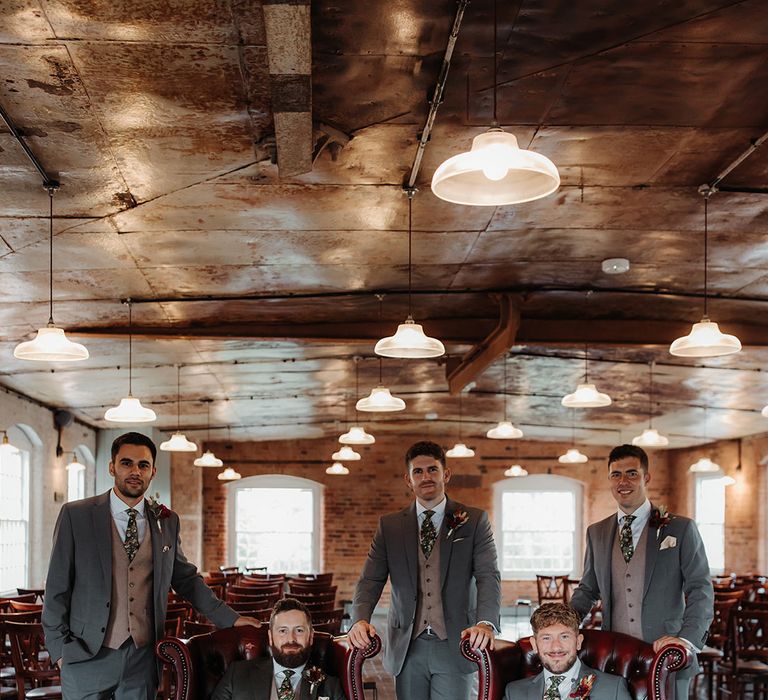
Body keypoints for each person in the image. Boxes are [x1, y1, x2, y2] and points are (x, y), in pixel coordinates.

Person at [42, 431, 259, 700]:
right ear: (112, 467)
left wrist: (231, 619)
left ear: (153, 471)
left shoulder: (166, 521)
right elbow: (56, 587)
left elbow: (186, 579)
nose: (135, 471)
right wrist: (59, 650)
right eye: (126, 463)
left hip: (141, 658)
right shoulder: (76, 515)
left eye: (143, 465)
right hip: (85, 655)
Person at [349, 440, 501, 700]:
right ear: (408, 480)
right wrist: (360, 619)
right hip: (407, 645)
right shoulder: (390, 526)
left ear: (446, 474)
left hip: (455, 641)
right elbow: (370, 580)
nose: (426, 477)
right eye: (417, 471)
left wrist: (485, 623)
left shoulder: (474, 520)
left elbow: (488, 576)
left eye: (432, 469)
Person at [569, 444, 713, 700]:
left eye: (632, 473)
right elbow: (588, 589)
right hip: (615, 657)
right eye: (616, 474)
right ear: (610, 479)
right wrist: (564, 625)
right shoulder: (597, 532)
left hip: (667, 656)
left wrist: (686, 641)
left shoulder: (680, 528)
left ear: (646, 477)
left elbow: (700, 589)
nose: (623, 481)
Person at [212, 597, 347, 700]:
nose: (291, 639)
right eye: (283, 631)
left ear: (311, 636)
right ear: (270, 637)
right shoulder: (237, 673)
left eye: (299, 630)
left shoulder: (331, 686)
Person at [504, 603, 632, 700]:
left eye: (564, 636)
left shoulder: (613, 688)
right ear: (534, 644)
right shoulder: (514, 692)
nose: (556, 647)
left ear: (578, 642)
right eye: (546, 638)